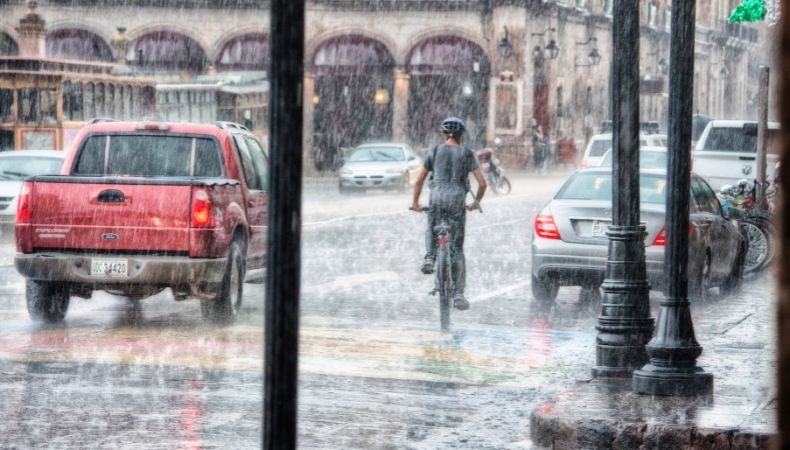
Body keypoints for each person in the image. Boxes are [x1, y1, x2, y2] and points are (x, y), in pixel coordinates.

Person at [410, 117, 487, 311]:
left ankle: (429, 257)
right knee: (457, 249)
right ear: (461, 135)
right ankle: (459, 294)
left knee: (431, 226)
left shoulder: (435, 151)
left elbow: (419, 181)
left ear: (443, 135)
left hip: (437, 199)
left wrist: (415, 203)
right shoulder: (467, 153)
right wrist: (475, 202)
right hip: (456, 203)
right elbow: (483, 183)